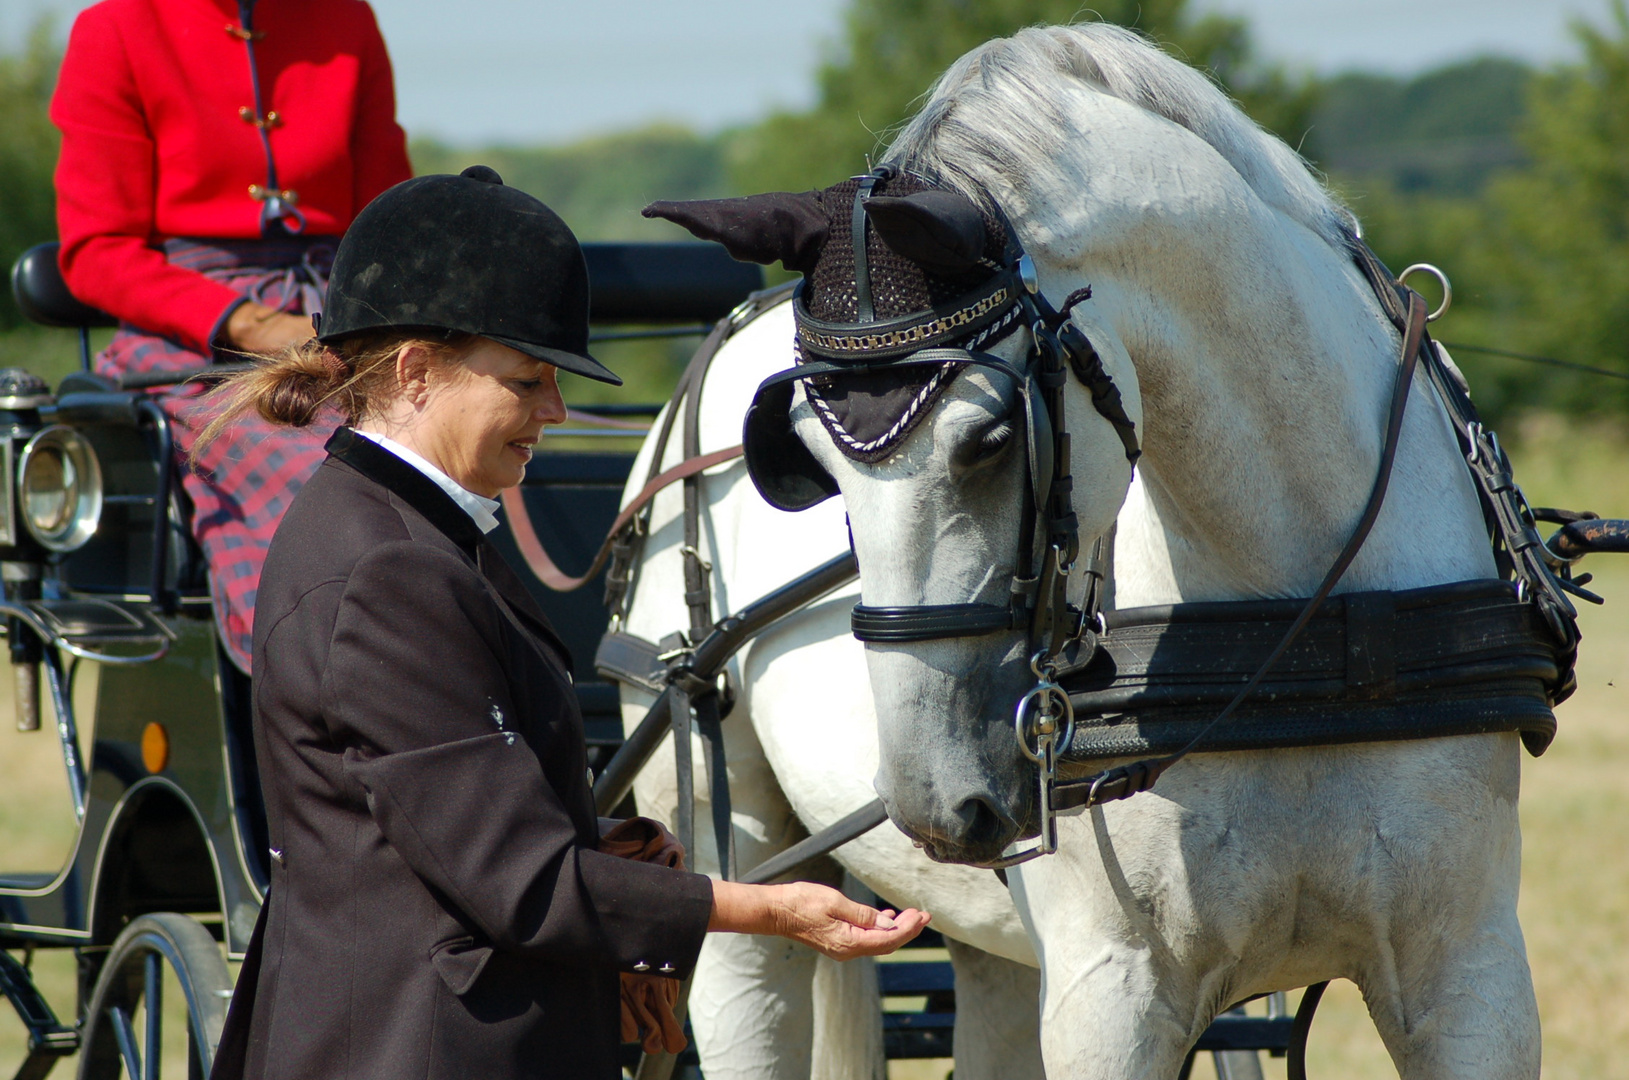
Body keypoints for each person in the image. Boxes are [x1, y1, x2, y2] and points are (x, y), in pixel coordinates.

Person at [202, 167, 930, 1080]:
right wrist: (770, 910)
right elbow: (524, 883)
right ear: (417, 373)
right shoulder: (391, 569)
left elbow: (448, 828)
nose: (553, 411)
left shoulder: (396, 529)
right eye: (527, 380)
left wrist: (599, 846)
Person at [50, 0, 413, 672]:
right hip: (185, 333)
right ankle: (321, 680)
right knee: (326, 461)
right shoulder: (119, 27)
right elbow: (98, 252)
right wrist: (250, 324)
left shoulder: (346, 20)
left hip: (342, 308)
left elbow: (388, 220)